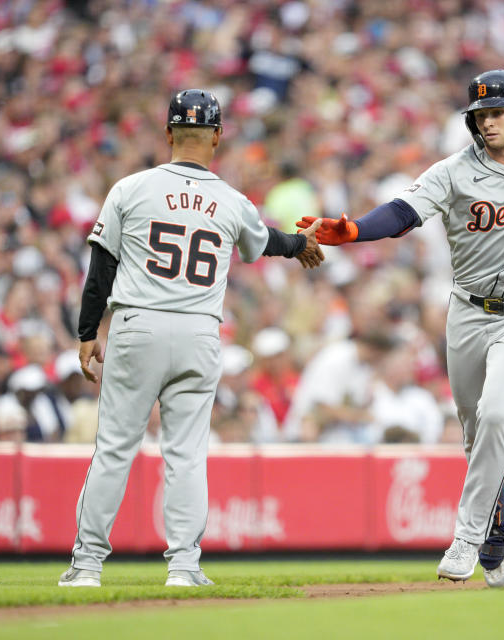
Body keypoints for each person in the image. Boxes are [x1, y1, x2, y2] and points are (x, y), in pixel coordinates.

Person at [297, 70, 504, 587]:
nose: (487, 122)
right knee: (475, 432)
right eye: (479, 115)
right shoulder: (454, 171)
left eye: (496, 112)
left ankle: (467, 537)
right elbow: (403, 212)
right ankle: (497, 522)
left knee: (495, 413)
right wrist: (354, 230)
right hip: (468, 312)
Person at [59, 89, 324, 588]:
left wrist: (87, 331)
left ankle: (87, 566)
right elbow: (264, 239)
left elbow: (101, 270)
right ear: (218, 137)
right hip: (199, 330)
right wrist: (298, 245)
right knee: (185, 453)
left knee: (115, 448)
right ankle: (183, 566)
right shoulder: (230, 199)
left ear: (168, 133)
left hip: (138, 325)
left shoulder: (131, 188)